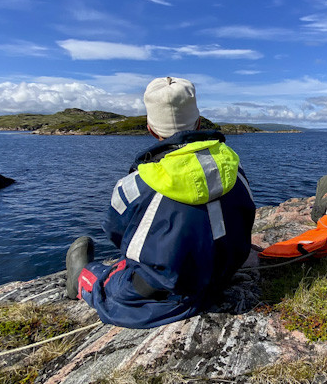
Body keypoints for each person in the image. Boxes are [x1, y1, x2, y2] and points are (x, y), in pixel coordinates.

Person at [65, 77, 256, 329]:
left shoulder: (135, 185)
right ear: (198, 122)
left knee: (111, 282)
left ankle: (80, 280)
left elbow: (115, 232)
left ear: (150, 128)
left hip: (166, 291)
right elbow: (247, 214)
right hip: (222, 275)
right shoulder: (234, 167)